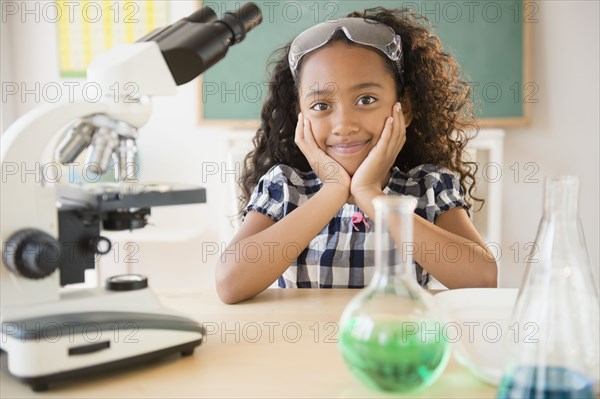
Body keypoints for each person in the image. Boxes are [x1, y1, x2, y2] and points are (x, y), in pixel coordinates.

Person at [215, 7, 498, 304]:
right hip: (302, 345)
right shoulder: (284, 187)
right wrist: (334, 191)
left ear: (405, 108)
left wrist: (370, 194)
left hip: (394, 345)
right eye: (322, 106)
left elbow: (481, 280)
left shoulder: (428, 186)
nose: (344, 125)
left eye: (366, 100)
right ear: (300, 117)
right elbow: (230, 284)